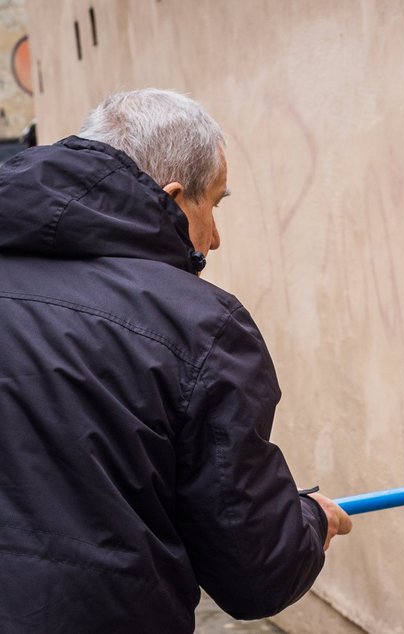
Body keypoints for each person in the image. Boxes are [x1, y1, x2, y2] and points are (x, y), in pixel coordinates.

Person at [0, 88, 351, 632]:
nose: (215, 236)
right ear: (173, 196)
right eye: (215, 203)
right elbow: (257, 571)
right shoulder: (199, 325)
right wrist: (307, 522)